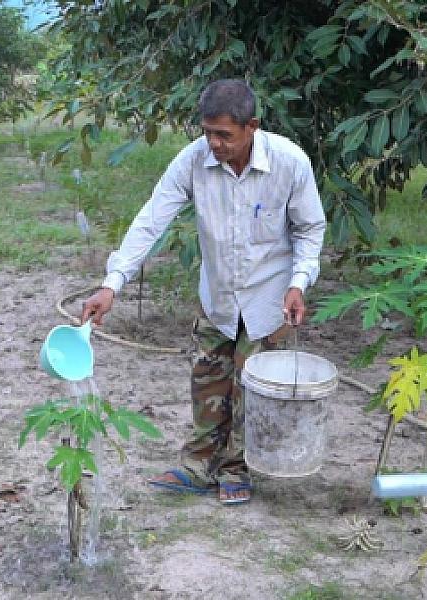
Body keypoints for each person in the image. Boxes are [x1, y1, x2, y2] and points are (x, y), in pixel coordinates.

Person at [80, 79, 326, 505]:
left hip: (271, 300)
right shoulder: (193, 161)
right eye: (207, 132)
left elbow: (310, 229)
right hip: (219, 298)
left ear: (252, 126)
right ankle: (198, 465)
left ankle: (236, 468)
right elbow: (150, 221)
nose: (214, 143)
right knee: (208, 380)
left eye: (224, 135)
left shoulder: (290, 163)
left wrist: (298, 283)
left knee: (252, 388)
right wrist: (112, 284)